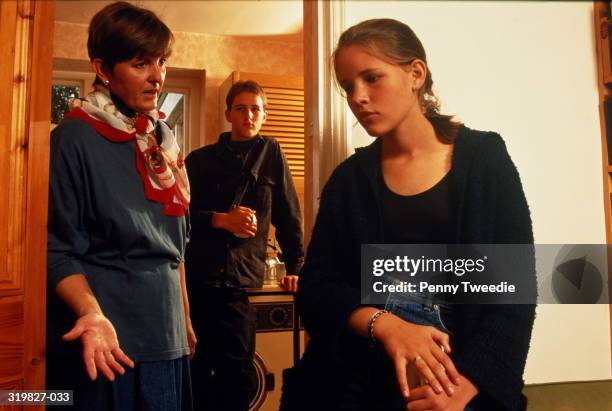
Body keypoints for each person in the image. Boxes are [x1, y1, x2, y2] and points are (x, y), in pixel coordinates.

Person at [283, 18, 536, 411]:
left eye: (372, 78)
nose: (358, 97)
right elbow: (316, 289)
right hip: (358, 380)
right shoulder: (348, 179)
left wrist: (467, 386)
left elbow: (515, 294)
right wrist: (385, 325)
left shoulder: (485, 158)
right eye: (349, 87)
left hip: (459, 378)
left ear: (416, 74)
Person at [46, 2, 195, 410]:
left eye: (161, 62)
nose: (157, 76)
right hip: (110, 340)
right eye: (140, 63)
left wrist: (183, 317)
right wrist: (92, 316)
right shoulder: (73, 138)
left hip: (169, 336)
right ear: (103, 69)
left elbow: (175, 247)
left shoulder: (161, 139)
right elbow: (57, 251)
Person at [185, 80, 305, 410]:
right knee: (194, 376)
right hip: (196, 282)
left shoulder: (272, 155)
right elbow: (177, 217)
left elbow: (289, 215)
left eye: (255, 109)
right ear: (228, 113)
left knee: (238, 378)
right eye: (241, 108)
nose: (248, 115)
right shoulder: (198, 161)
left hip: (240, 287)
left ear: (264, 115)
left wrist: (296, 268)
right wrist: (220, 220)